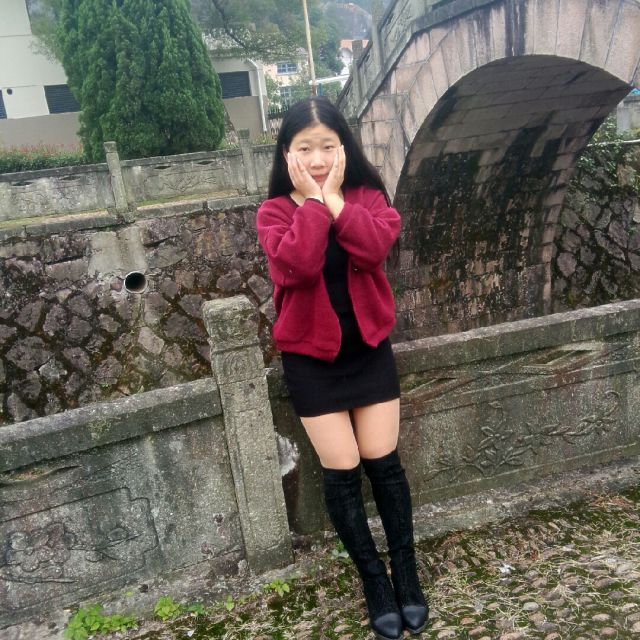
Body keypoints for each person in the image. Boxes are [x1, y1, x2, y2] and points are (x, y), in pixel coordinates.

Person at [256, 97, 428, 640]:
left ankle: (406, 574)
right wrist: (313, 203)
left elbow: (374, 248)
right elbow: (297, 266)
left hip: (369, 353)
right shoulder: (274, 213)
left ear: (344, 148)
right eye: (305, 148)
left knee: (385, 465)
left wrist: (334, 200)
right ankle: (374, 582)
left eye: (327, 146)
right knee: (343, 470)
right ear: (287, 154)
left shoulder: (367, 198)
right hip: (312, 363)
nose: (318, 158)